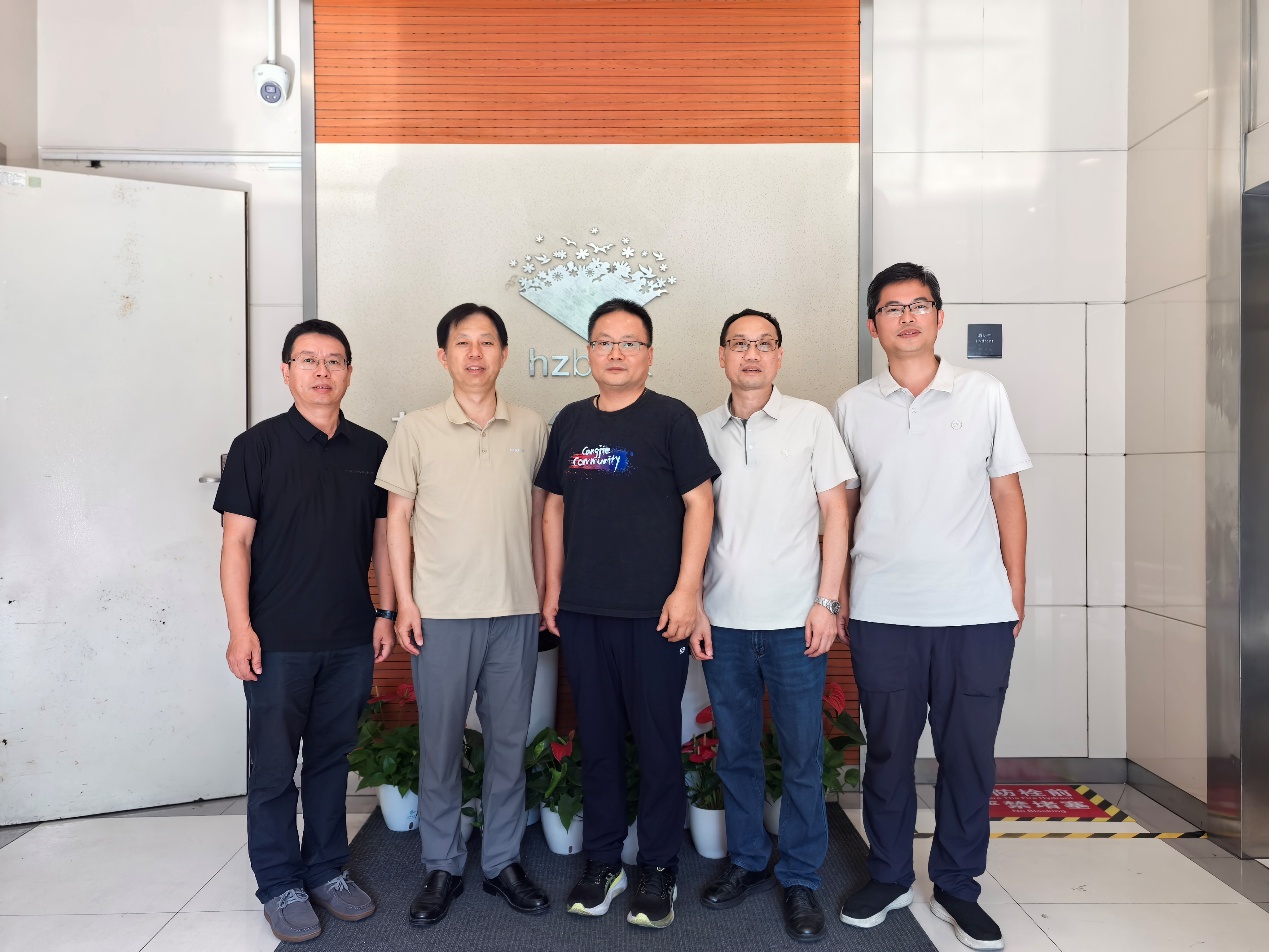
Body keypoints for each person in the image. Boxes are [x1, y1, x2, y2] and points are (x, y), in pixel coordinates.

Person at [834, 263, 1029, 952]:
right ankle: (889, 875)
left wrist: (1015, 589)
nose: (907, 317)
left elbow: (1006, 494)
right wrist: (840, 591)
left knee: (967, 755)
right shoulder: (852, 406)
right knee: (888, 753)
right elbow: (843, 507)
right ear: (873, 325)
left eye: (919, 305)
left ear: (940, 318)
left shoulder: (983, 393)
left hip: (974, 610)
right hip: (883, 609)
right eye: (892, 308)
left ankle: (956, 885)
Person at [537, 298, 719, 930]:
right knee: (598, 742)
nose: (616, 353)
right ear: (589, 352)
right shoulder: (570, 421)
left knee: (658, 742)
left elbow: (701, 504)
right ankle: (604, 862)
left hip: (655, 614)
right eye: (604, 342)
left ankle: (660, 865)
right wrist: (553, 588)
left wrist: (687, 591)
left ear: (649, 354)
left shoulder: (671, 419)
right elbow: (553, 506)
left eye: (629, 342)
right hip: (584, 611)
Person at [214, 319, 396, 944]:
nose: (322, 371)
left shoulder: (371, 449)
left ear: (349, 372)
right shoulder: (256, 446)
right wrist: (240, 629)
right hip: (276, 641)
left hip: (348, 638)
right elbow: (236, 544)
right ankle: (279, 883)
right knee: (272, 770)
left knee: (329, 762)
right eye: (308, 360)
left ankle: (325, 870)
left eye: (334, 360)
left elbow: (383, 542)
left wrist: (385, 613)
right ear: (286, 371)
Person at [375, 303, 551, 926]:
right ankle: (442, 864)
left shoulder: (533, 425)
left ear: (504, 353)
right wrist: (404, 603)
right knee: (440, 743)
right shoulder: (417, 429)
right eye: (462, 343)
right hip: (440, 614)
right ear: (443, 355)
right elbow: (397, 519)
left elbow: (543, 516)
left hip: (515, 611)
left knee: (508, 744)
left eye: (487, 342)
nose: (475, 354)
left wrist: (544, 594)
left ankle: (502, 861)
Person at [690, 308, 854, 943]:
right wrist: (695, 604)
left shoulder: (811, 421)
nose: (751, 354)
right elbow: (688, 523)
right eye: (739, 344)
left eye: (763, 344)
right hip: (723, 623)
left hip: (796, 622)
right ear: (721, 356)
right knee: (735, 753)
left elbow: (836, 513)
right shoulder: (700, 430)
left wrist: (828, 602)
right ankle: (748, 860)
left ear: (779, 355)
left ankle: (802, 876)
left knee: (801, 755)